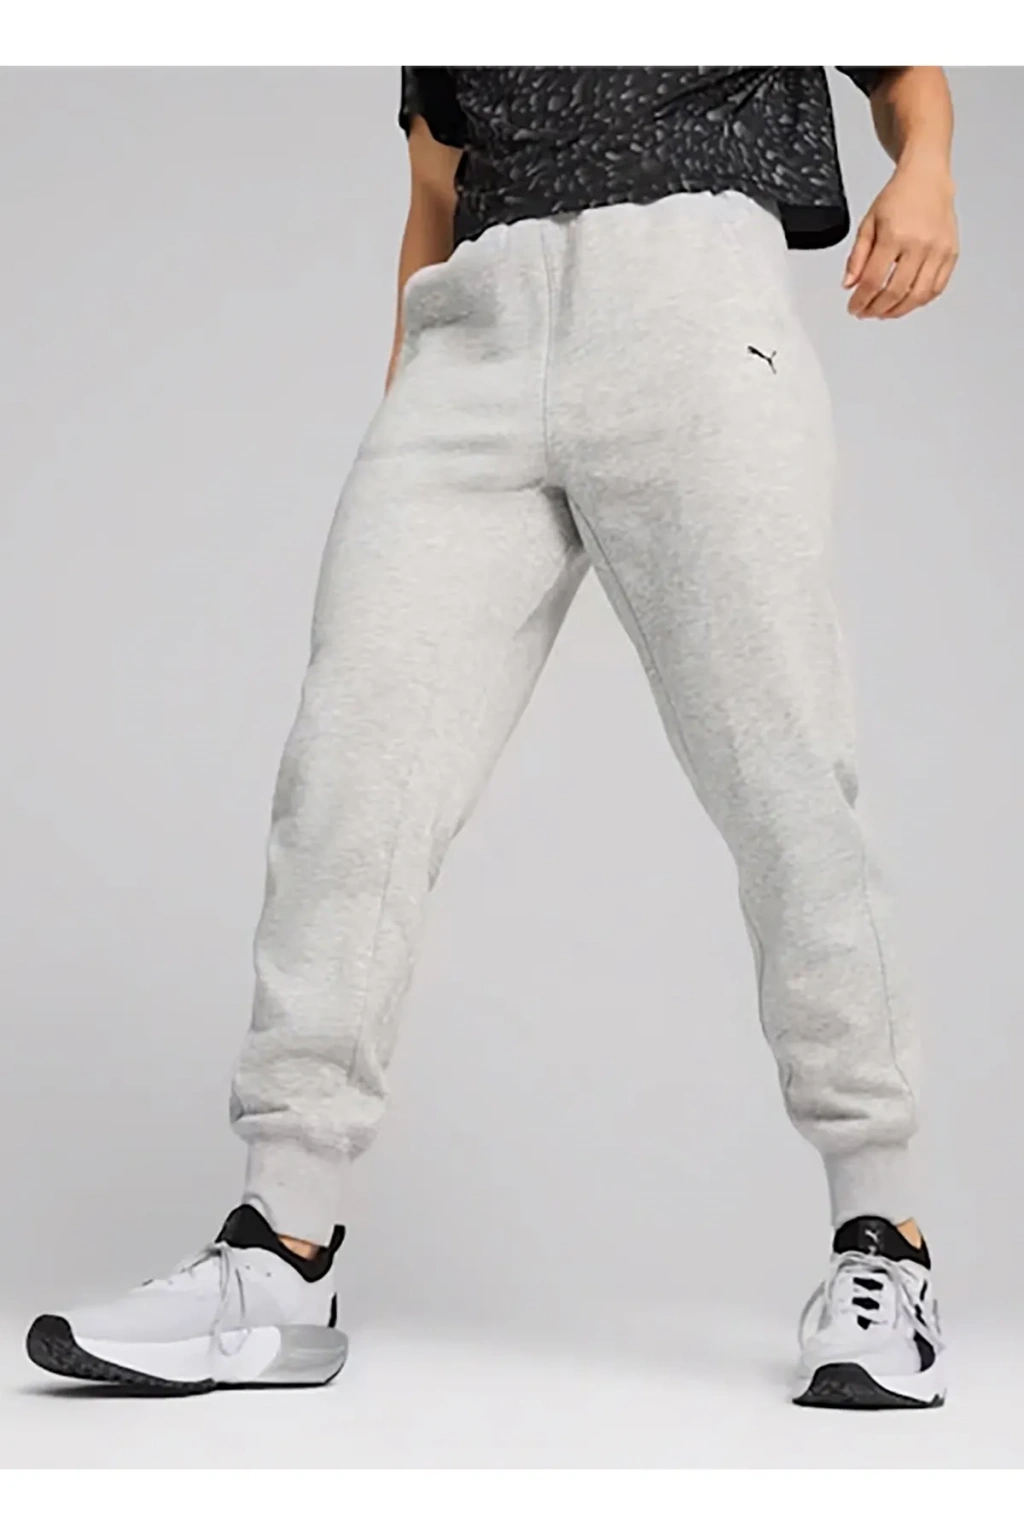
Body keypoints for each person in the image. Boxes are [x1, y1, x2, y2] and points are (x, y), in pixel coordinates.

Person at [26, 66, 958, 1408]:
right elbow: (433, 186)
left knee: (785, 777)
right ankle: (281, 1252)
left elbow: (904, 63)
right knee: (350, 777)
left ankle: (884, 1239)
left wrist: (925, 166)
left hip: (691, 307)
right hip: (471, 343)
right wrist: (407, 389)